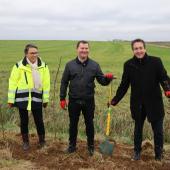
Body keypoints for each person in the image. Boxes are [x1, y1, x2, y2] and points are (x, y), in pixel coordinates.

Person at [111, 38, 170, 161]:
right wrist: (115, 100)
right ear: (133, 50)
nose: (139, 51)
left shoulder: (156, 62)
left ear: (145, 48)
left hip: (154, 103)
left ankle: (159, 154)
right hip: (137, 104)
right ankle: (137, 152)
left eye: (140, 48)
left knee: (158, 131)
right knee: (138, 130)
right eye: (136, 49)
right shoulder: (128, 65)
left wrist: (167, 89)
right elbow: (124, 85)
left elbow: (164, 78)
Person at [60, 40, 114, 156]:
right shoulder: (70, 65)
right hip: (74, 101)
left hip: (89, 101)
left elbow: (102, 81)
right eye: (82, 48)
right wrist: (62, 98)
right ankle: (72, 146)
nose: (84, 50)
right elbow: (64, 82)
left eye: (86, 48)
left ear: (88, 50)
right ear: (77, 49)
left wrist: (108, 78)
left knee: (89, 124)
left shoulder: (95, 65)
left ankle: (90, 147)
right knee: (73, 124)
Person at [8, 44, 50, 150]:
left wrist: (45, 99)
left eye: (36, 52)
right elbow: (12, 83)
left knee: (39, 121)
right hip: (23, 98)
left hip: (36, 98)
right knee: (24, 121)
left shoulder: (43, 66)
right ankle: (25, 142)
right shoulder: (18, 66)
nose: (35, 55)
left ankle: (42, 141)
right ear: (26, 53)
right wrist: (10, 99)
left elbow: (46, 83)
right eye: (32, 53)